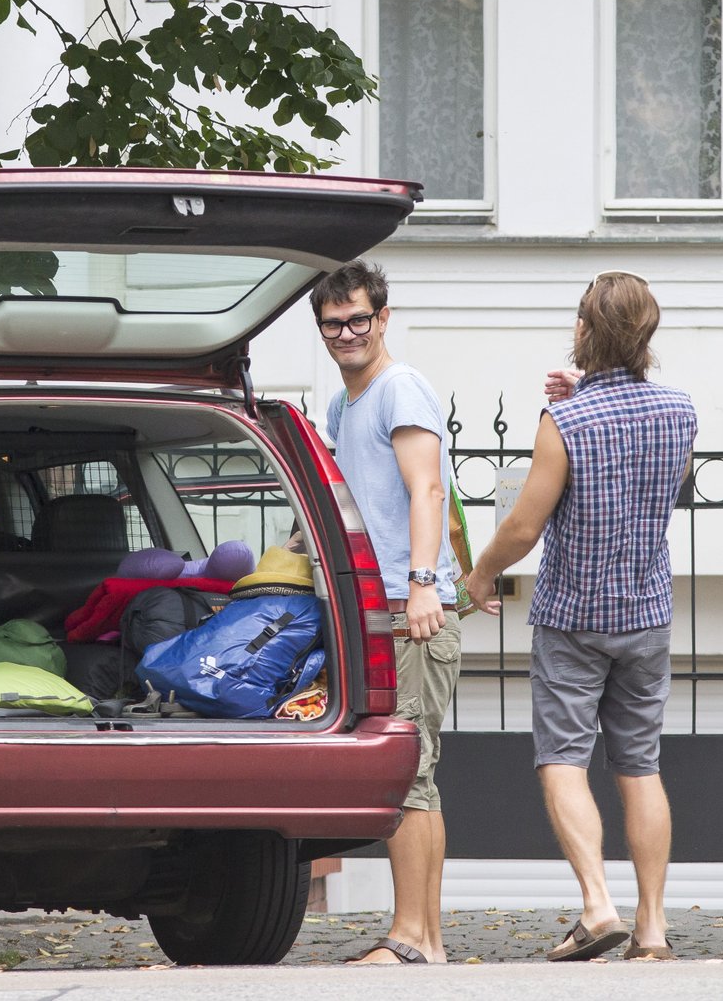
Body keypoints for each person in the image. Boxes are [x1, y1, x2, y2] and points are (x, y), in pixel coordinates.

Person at [466, 270, 697, 963]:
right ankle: (652, 930)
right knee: (641, 764)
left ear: (586, 330)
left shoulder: (563, 420)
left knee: (564, 758)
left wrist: (480, 572)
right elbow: (664, 483)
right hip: (647, 611)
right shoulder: (681, 410)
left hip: (573, 615)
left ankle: (598, 905)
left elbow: (524, 525)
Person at [310, 259, 461, 965]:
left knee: (409, 769)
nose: (347, 332)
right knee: (411, 768)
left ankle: (410, 936)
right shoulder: (347, 404)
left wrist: (424, 582)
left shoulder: (401, 388)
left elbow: (427, 490)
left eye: (359, 319)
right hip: (380, 609)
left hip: (412, 608)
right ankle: (424, 940)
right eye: (334, 323)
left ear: (384, 317)